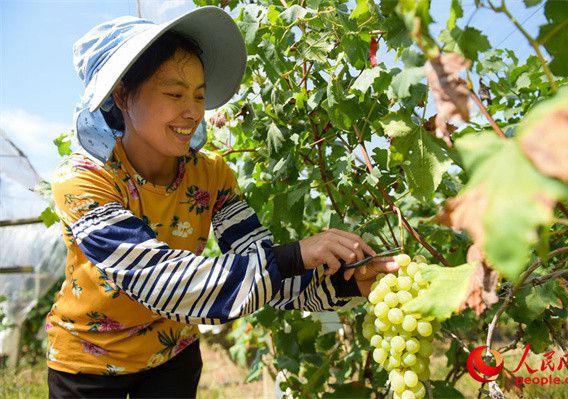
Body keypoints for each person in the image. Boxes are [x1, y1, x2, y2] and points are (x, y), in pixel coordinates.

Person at [46, 6, 398, 398]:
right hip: (89, 363)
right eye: (174, 93)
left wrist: (344, 283)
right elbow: (160, 282)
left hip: (172, 353)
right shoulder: (83, 181)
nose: (193, 112)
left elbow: (269, 274)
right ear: (122, 96)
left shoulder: (210, 175)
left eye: (199, 95)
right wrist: (295, 254)